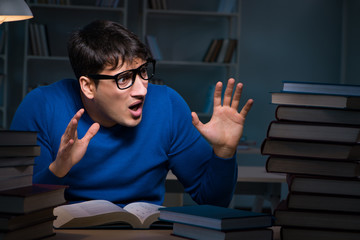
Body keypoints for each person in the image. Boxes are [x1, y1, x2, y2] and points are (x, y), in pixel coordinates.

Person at [10, 20, 253, 207]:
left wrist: (223, 153)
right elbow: (17, 206)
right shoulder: (40, 107)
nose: (141, 90)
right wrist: (58, 170)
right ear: (88, 86)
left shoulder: (167, 105)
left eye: (143, 72)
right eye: (124, 78)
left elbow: (211, 202)